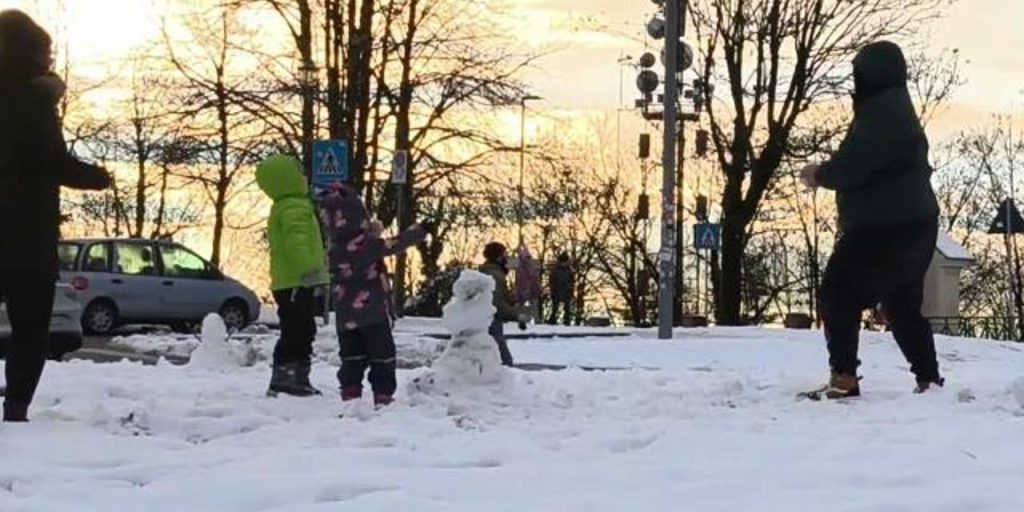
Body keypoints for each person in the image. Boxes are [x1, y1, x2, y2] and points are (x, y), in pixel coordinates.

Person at [800, 41, 942, 400]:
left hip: (883, 228)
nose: (855, 82)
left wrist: (819, 173)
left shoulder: (881, 113)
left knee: (837, 293)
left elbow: (853, 167)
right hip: (918, 225)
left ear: (870, 75)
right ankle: (929, 381)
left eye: (858, 74)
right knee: (900, 303)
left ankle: (844, 377)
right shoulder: (896, 108)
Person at [0, 10, 112, 422]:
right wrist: (97, 177)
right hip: (26, 230)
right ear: (30, 55)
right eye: (44, 52)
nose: (49, 59)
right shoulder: (34, 101)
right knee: (30, 324)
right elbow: (46, 160)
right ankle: (16, 408)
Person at [320, 185, 424, 407]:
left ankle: (350, 392)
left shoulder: (333, 248)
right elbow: (395, 243)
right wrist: (421, 230)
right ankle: (383, 393)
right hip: (373, 312)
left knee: (351, 356)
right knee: (382, 354)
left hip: (345, 316)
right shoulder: (366, 245)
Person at [255, 154, 329, 397]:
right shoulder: (293, 208)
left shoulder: (290, 206)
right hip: (297, 281)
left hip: (292, 281)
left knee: (300, 328)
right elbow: (296, 242)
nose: (304, 177)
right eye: (299, 173)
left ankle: (295, 376)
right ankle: (288, 377)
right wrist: (310, 268)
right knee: (298, 330)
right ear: (288, 178)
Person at [479, 242, 528, 366]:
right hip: (492, 323)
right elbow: (496, 304)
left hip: (486, 321)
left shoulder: (491, 273)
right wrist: (517, 316)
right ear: (498, 257)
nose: (506, 258)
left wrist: (513, 298)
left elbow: (499, 297)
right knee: (505, 362)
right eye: (504, 254)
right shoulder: (495, 275)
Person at [513, 246, 541, 323]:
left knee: (534, 305)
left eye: (529, 257)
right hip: (523, 290)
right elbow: (520, 281)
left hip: (533, 290)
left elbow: (535, 279)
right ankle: (523, 319)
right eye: (526, 257)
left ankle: (536, 319)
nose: (528, 259)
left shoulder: (531, 267)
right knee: (522, 307)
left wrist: (537, 288)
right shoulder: (520, 269)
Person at [547, 252, 574, 326]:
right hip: (557, 291)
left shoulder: (569, 270)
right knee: (555, 307)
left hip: (566, 291)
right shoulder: (556, 270)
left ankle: (566, 321)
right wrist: (553, 290)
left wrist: (571, 290)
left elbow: (572, 281)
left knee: (567, 308)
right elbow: (552, 281)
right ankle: (552, 320)